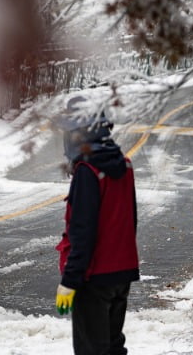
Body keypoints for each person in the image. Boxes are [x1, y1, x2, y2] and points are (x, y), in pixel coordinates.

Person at [54, 102, 140, 355]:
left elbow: (82, 232)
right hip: (122, 273)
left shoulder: (87, 171)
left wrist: (69, 282)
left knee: (92, 350)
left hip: (92, 278)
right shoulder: (124, 165)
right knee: (113, 347)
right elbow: (130, 222)